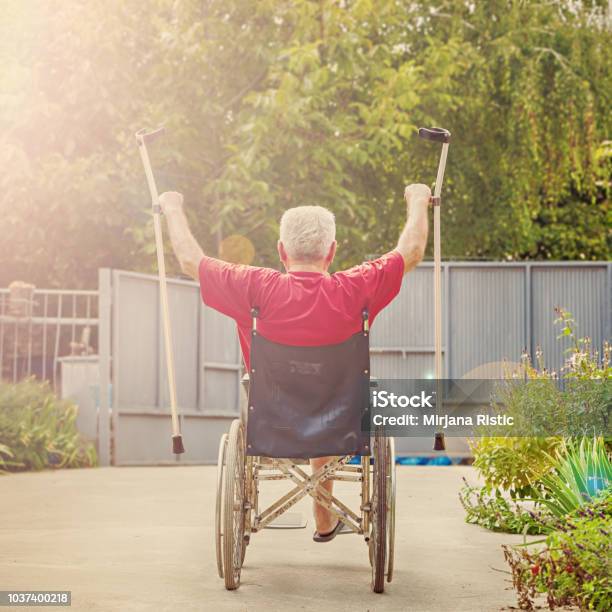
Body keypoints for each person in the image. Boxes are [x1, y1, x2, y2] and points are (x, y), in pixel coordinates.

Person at [158, 184, 431, 541]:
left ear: (281, 251)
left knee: (311, 401)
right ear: (331, 252)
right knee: (329, 403)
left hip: (271, 420)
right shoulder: (355, 288)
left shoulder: (255, 287)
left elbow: (190, 261)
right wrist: (418, 200)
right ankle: (325, 521)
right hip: (337, 420)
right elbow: (411, 250)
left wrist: (172, 208)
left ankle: (322, 518)